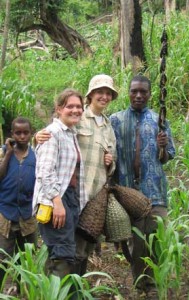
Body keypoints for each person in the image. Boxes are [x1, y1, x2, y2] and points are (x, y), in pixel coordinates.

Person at [35, 74, 117, 276]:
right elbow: (50, 143)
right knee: (65, 250)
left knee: (81, 249)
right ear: (91, 95)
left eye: (108, 93)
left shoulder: (108, 126)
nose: (104, 97)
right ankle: (55, 290)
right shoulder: (78, 119)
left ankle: (74, 289)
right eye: (100, 92)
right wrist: (37, 137)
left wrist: (110, 162)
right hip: (68, 193)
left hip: (92, 197)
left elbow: (111, 157)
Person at [110, 75, 175, 295]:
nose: (138, 95)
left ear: (149, 94)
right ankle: (141, 284)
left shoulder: (160, 121)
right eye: (134, 91)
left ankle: (154, 284)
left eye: (143, 92)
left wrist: (162, 147)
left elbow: (167, 157)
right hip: (129, 192)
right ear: (128, 92)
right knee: (136, 244)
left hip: (155, 191)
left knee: (156, 240)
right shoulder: (116, 120)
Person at [33, 88, 88, 284]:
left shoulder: (70, 133)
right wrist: (57, 201)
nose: (75, 110)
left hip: (69, 198)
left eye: (79, 107)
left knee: (62, 252)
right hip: (55, 200)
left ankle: (53, 293)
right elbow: (45, 172)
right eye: (70, 106)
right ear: (58, 109)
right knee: (63, 255)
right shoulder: (52, 133)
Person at [0, 117, 37, 288]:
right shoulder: (3, 152)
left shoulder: (36, 155)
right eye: (18, 133)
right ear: (12, 134)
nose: (22, 136)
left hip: (27, 215)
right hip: (5, 213)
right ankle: (3, 289)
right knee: (3, 257)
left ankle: (23, 288)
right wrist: (8, 153)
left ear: (31, 134)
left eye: (25, 133)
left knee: (27, 256)